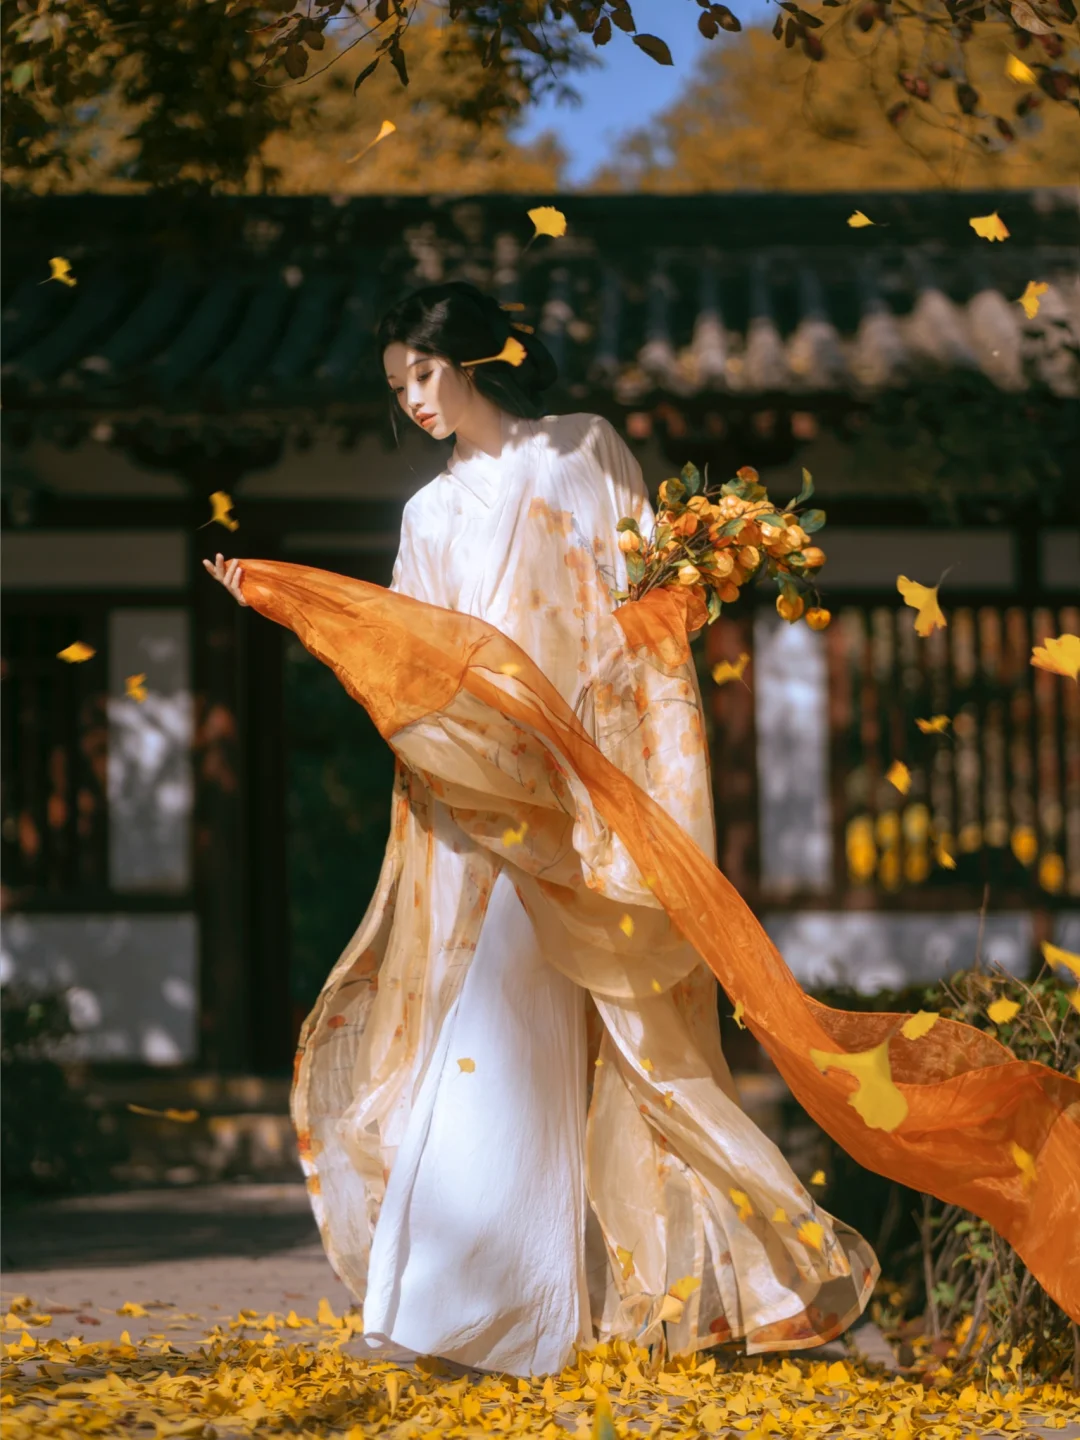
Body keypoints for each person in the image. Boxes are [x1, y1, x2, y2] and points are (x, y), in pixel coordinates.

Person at [203, 280, 881, 1375]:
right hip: (482, 808)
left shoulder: (583, 449)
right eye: (397, 386)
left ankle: (708, 1292)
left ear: (476, 358)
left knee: (631, 1043)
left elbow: (639, 614)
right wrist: (291, 601)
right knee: (484, 1034)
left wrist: (642, 737)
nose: (414, 400)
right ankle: (460, 1309)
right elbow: (414, 661)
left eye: (424, 373)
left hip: (589, 789)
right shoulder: (428, 515)